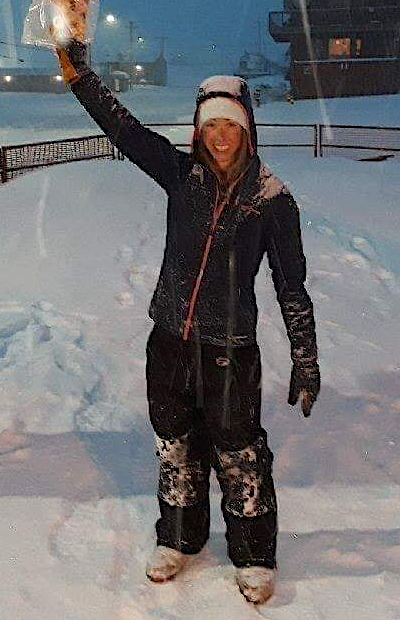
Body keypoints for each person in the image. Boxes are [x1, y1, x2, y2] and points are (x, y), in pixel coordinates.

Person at [55, 41, 320, 605]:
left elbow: (290, 284)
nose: (220, 136)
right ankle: (180, 537)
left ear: (247, 130)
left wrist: (305, 356)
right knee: (175, 444)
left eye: (231, 125)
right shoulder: (181, 176)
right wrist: (81, 77)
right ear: (198, 132)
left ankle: (253, 553)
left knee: (238, 452)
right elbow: (124, 131)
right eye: (210, 126)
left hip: (231, 348)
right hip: (169, 339)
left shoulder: (272, 200)